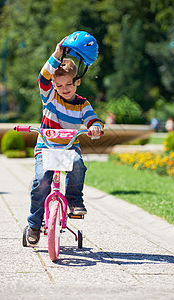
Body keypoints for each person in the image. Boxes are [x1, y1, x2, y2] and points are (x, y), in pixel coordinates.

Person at [27, 33, 104, 246]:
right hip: (46, 146)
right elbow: (42, 78)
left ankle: (74, 201)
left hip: (69, 147)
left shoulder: (82, 103)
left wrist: (95, 127)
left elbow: (92, 119)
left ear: (77, 82)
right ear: (53, 85)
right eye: (59, 86)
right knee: (41, 181)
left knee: (78, 165)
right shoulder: (50, 96)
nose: (64, 89)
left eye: (69, 85)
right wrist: (56, 54)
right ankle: (34, 224)